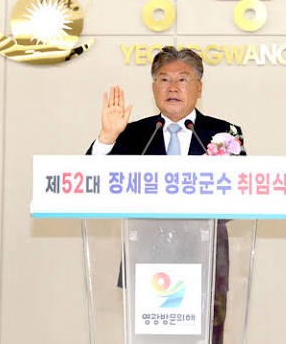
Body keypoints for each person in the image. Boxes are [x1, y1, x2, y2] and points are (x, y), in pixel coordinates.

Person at [87, 46, 246, 344]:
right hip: (147, 256)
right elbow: (91, 184)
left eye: (182, 79)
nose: (172, 87)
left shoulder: (224, 133)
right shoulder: (132, 133)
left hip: (207, 257)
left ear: (199, 88)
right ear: (153, 88)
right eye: (164, 79)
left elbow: (239, 196)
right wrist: (107, 138)